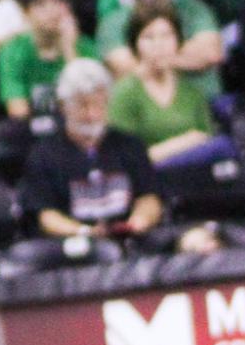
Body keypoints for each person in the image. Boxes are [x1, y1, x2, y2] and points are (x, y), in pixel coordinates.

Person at [17, 58, 162, 240]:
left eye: (98, 104)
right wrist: (84, 232)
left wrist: (139, 221)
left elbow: (149, 197)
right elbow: (45, 216)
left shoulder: (130, 145)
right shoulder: (43, 155)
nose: (91, 114)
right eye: (82, 105)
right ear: (63, 106)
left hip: (129, 240)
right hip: (73, 248)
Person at [95, 0, 223, 99]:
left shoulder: (195, 10)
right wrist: (184, 57)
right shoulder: (112, 22)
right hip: (142, 114)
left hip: (205, 106)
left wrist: (149, 61)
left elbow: (211, 53)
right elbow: (126, 68)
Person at [105, 1, 225, 165]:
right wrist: (183, 143)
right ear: (136, 44)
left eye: (167, 36)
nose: (159, 45)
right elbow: (124, 157)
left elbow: (207, 140)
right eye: (149, 37)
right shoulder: (125, 92)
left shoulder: (192, 92)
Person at [0, 0, 93, 121]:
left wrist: (69, 51)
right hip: (32, 130)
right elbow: (17, 111)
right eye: (41, 5)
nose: (52, 11)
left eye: (57, 2)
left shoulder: (86, 47)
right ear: (26, 14)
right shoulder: (12, 51)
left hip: (76, 127)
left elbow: (90, 105)